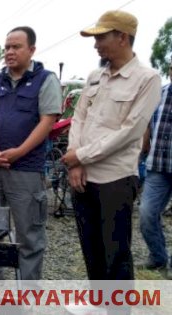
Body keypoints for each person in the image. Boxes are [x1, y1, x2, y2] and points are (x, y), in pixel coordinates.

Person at [62, 10, 161, 280]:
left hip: (115, 178)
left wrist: (80, 156)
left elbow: (131, 131)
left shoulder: (147, 78)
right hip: (82, 176)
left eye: (101, 37)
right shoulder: (96, 75)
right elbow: (79, 117)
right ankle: (97, 305)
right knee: (91, 250)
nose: (96, 44)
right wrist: (76, 161)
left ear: (123, 38)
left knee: (115, 253)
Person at [0, 26, 62, 280]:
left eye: (16, 47)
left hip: (25, 169)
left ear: (32, 50)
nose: (10, 52)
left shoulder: (46, 80)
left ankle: (28, 296)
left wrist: (19, 152)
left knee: (29, 235)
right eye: (7, 47)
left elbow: (47, 122)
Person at [139, 64, 172, 280]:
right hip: (158, 166)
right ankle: (158, 256)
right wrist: (144, 143)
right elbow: (146, 122)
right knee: (146, 214)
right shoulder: (160, 92)